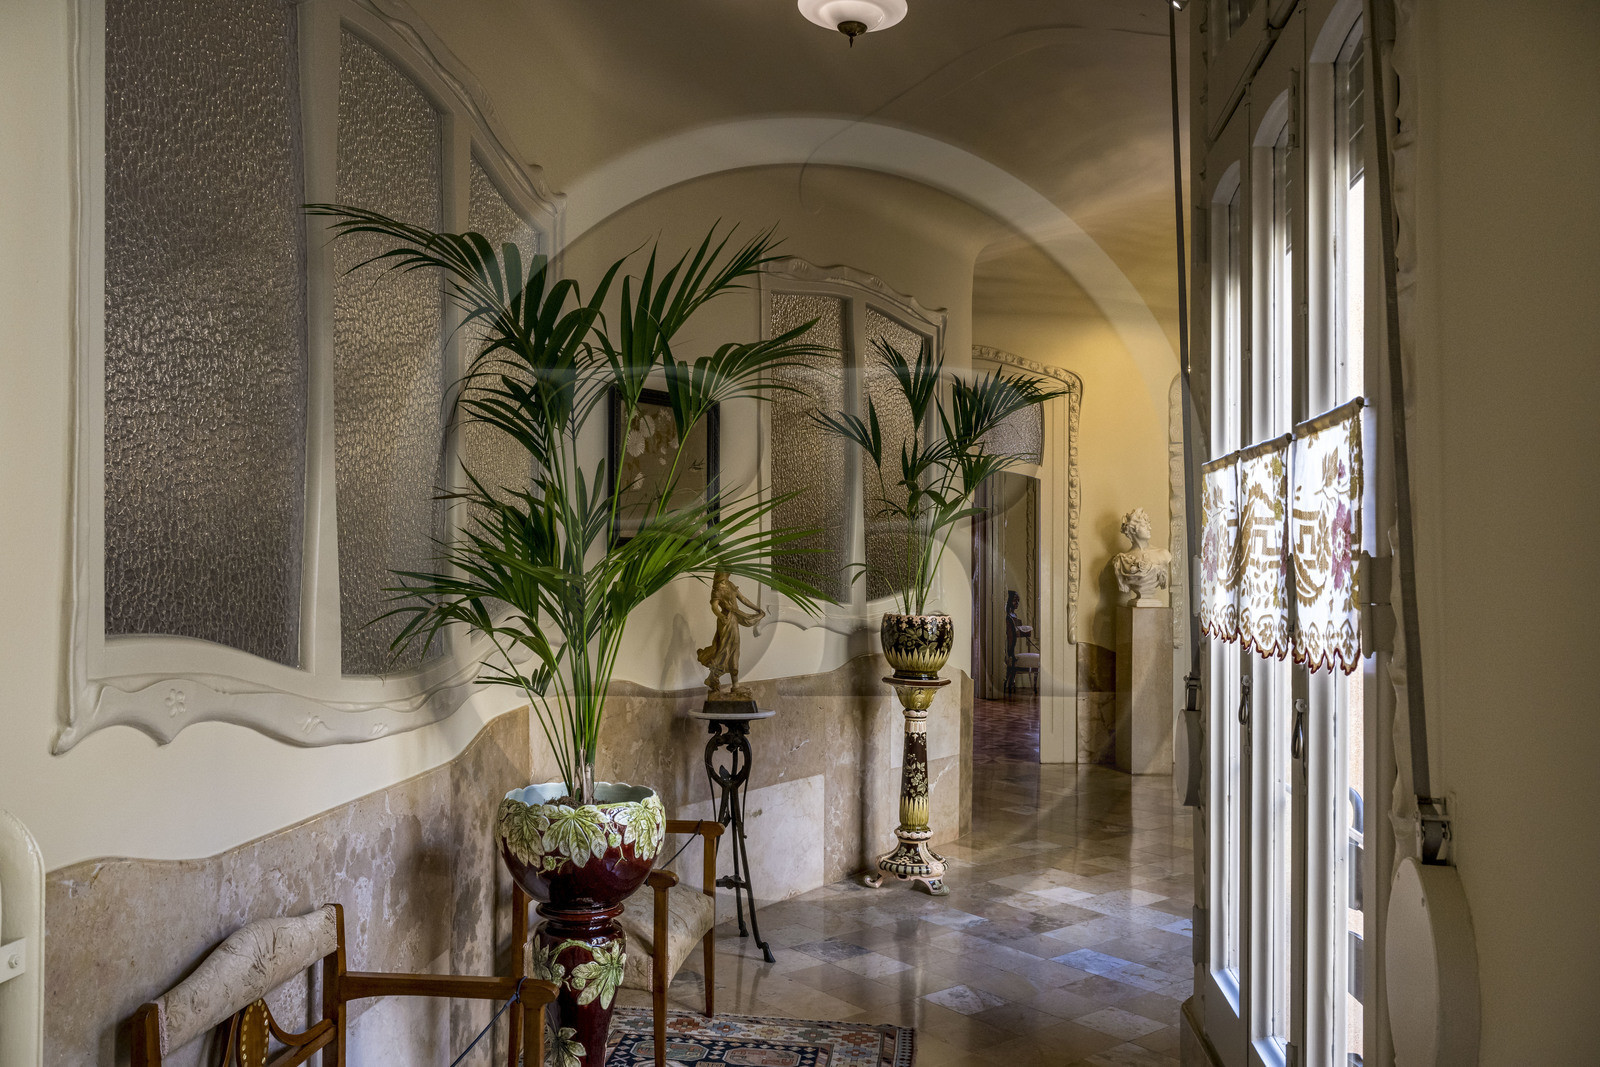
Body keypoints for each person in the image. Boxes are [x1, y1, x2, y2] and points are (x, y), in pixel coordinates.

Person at [696, 571, 766, 696]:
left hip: (733, 620)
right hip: (726, 621)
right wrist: (720, 616)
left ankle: (734, 685)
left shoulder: (730, 584)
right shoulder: (717, 588)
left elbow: (743, 599)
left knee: (734, 651)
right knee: (723, 651)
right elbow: (714, 606)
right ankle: (714, 679)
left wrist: (757, 608)